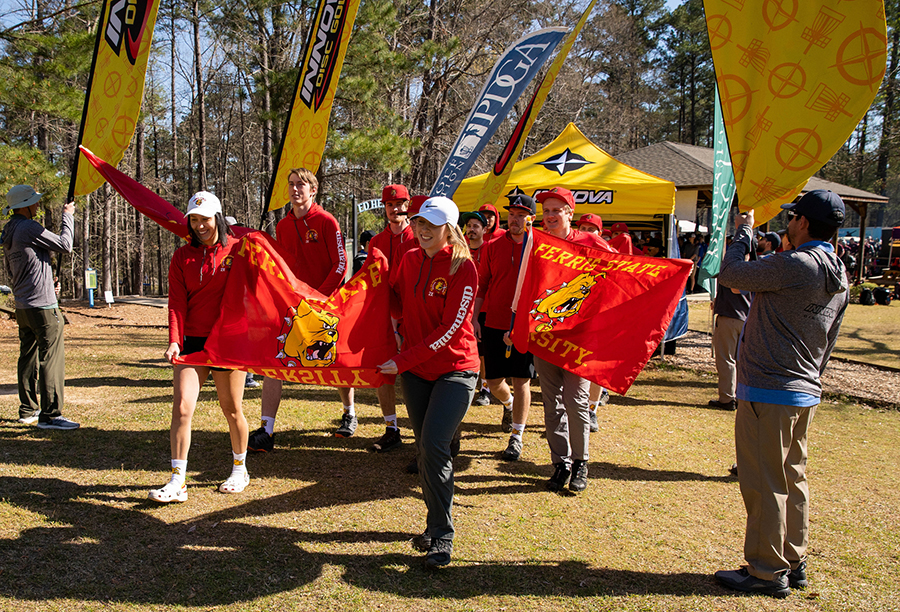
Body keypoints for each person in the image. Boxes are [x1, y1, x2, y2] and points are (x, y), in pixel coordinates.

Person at [714, 190, 849, 597]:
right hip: (804, 388)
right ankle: (793, 559)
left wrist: (743, 231)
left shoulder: (797, 263)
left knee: (763, 481)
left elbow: (732, 274)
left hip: (769, 389)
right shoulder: (838, 270)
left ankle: (766, 570)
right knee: (793, 478)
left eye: (793, 218)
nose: (789, 224)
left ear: (804, 223)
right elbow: (831, 338)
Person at [376, 196, 480, 568]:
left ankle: (442, 534)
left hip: (456, 369)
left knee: (435, 446)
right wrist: (370, 280)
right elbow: (394, 303)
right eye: (419, 223)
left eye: (431, 226)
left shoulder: (462, 268)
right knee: (425, 450)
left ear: (448, 230)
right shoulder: (409, 259)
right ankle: (433, 523)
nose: (421, 230)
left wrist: (400, 360)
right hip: (416, 372)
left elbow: (449, 331)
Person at [150, 191, 250, 502]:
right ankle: (177, 480)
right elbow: (176, 303)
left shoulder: (240, 250)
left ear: (217, 218)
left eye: (205, 220)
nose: (199, 226)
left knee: (231, 409)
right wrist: (174, 340)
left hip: (228, 341)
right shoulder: (182, 257)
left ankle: (239, 469)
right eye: (193, 220)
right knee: (181, 408)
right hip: (192, 341)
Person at [248, 168, 351, 452]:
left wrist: (320, 297)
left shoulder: (327, 221)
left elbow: (340, 264)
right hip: (295, 307)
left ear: (313, 190)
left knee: (337, 361)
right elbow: (284, 266)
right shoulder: (282, 226)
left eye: (301, 185)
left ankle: (349, 412)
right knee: (275, 361)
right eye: (291, 185)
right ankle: (266, 430)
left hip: (326, 303)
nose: (295, 190)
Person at [533, 187, 615, 492]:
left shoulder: (591, 241)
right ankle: (561, 463)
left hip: (579, 339)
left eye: (557, 210)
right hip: (544, 334)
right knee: (551, 404)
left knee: (576, 401)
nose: (550, 216)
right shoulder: (537, 241)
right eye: (547, 211)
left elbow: (615, 275)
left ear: (570, 213)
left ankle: (581, 462)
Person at [2, 185, 78, 430]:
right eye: (33, 202)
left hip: (23, 305)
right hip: (43, 306)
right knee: (51, 358)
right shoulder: (29, 227)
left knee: (28, 357)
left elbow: (15, 268)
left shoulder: (9, 230)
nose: (37, 205)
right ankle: (51, 415)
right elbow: (65, 245)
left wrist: (47, 281)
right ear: (23, 205)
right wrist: (68, 215)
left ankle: (28, 410)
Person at [472, 194, 537, 461]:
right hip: (493, 320)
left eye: (521, 214)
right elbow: (482, 285)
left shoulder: (539, 247)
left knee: (522, 380)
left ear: (531, 218)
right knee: (493, 381)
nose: (515, 219)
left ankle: (517, 436)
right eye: (512, 214)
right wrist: (475, 318)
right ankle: (508, 405)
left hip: (525, 324)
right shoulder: (493, 245)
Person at [366, 184, 416, 452]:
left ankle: (422, 431)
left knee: (415, 375)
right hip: (385, 317)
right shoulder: (376, 241)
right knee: (384, 372)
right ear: (384, 208)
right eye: (390, 205)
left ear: (408, 205)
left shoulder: (418, 236)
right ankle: (391, 428)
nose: (396, 209)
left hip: (416, 314)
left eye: (400, 204)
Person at [460, 210, 492, 407]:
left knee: (484, 352)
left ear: (484, 229)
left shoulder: (490, 249)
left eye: (475, 226)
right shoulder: (460, 249)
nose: (471, 230)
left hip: (485, 308)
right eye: (469, 226)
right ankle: (468, 385)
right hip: (462, 307)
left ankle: (486, 389)